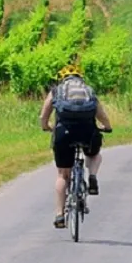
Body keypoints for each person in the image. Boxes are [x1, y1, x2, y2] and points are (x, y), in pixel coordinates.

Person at [40, 64, 113, 229]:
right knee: (94, 155)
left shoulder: (57, 91)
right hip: (88, 132)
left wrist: (46, 126)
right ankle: (92, 176)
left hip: (63, 133)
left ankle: (59, 216)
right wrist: (107, 127)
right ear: (80, 78)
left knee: (62, 175)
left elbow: (44, 115)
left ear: (62, 78)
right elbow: (101, 114)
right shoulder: (88, 90)